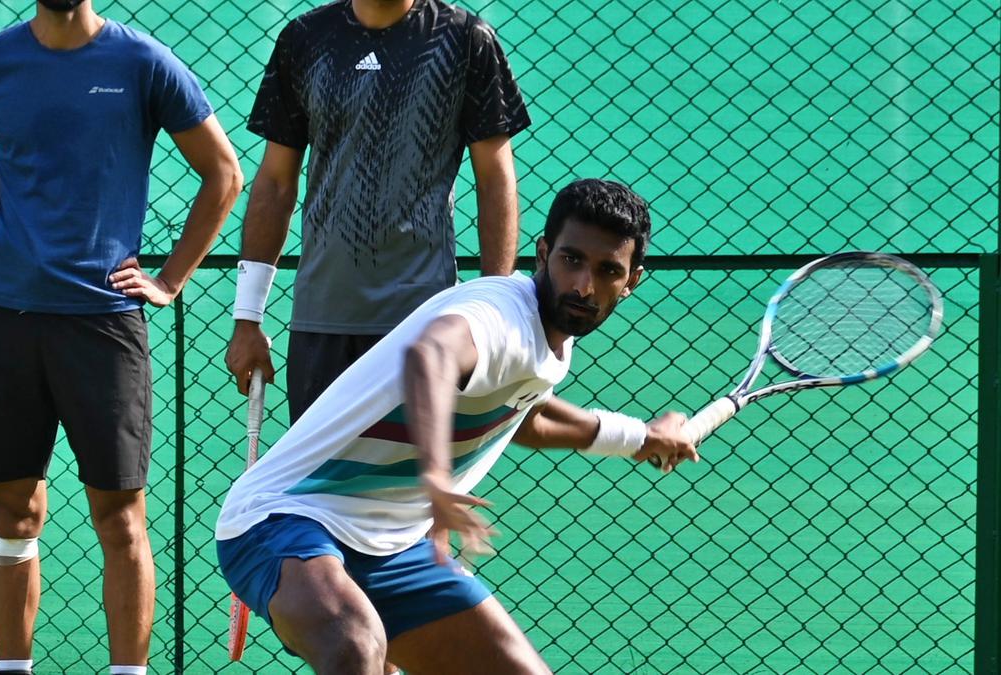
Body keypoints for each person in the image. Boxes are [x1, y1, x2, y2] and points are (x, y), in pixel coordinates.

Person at [215, 179, 700, 674]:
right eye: (571, 260)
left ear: (632, 280)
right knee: (354, 645)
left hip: (391, 548)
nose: (583, 286)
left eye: (607, 271)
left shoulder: (549, 344)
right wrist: (436, 478)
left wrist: (641, 437)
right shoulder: (498, 316)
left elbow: (529, 417)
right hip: (284, 519)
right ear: (542, 253)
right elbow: (429, 356)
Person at [0, 1, 243, 674]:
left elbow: (224, 172)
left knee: (120, 516)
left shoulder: (143, 63)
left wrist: (170, 279)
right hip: (8, 319)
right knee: (14, 512)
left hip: (105, 325)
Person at [224, 0, 531, 423]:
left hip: (422, 325)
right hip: (320, 323)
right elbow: (275, 184)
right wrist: (247, 319)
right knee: (316, 488)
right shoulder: (304, 38)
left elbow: (495, 177)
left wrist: (494, 308)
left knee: (408, 488)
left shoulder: (466, 38)